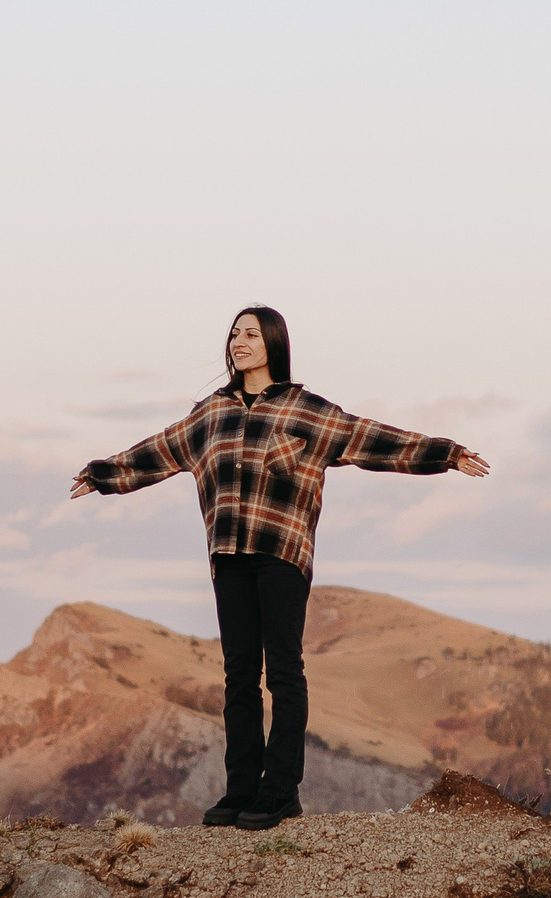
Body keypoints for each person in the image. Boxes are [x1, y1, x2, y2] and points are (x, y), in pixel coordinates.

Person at [69, 307, 489, 829]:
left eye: (250, 334)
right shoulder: (209, 415)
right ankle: (241, 789)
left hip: (283, 554)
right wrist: (102, 475)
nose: (238, 342)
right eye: (234, 334)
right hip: (228, 554)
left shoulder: (306, 411)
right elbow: (156, 451)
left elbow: (370, 438)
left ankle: (280, 791)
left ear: (273, 342)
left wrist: (445, 453)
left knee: (284, 671)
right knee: (239, 674)